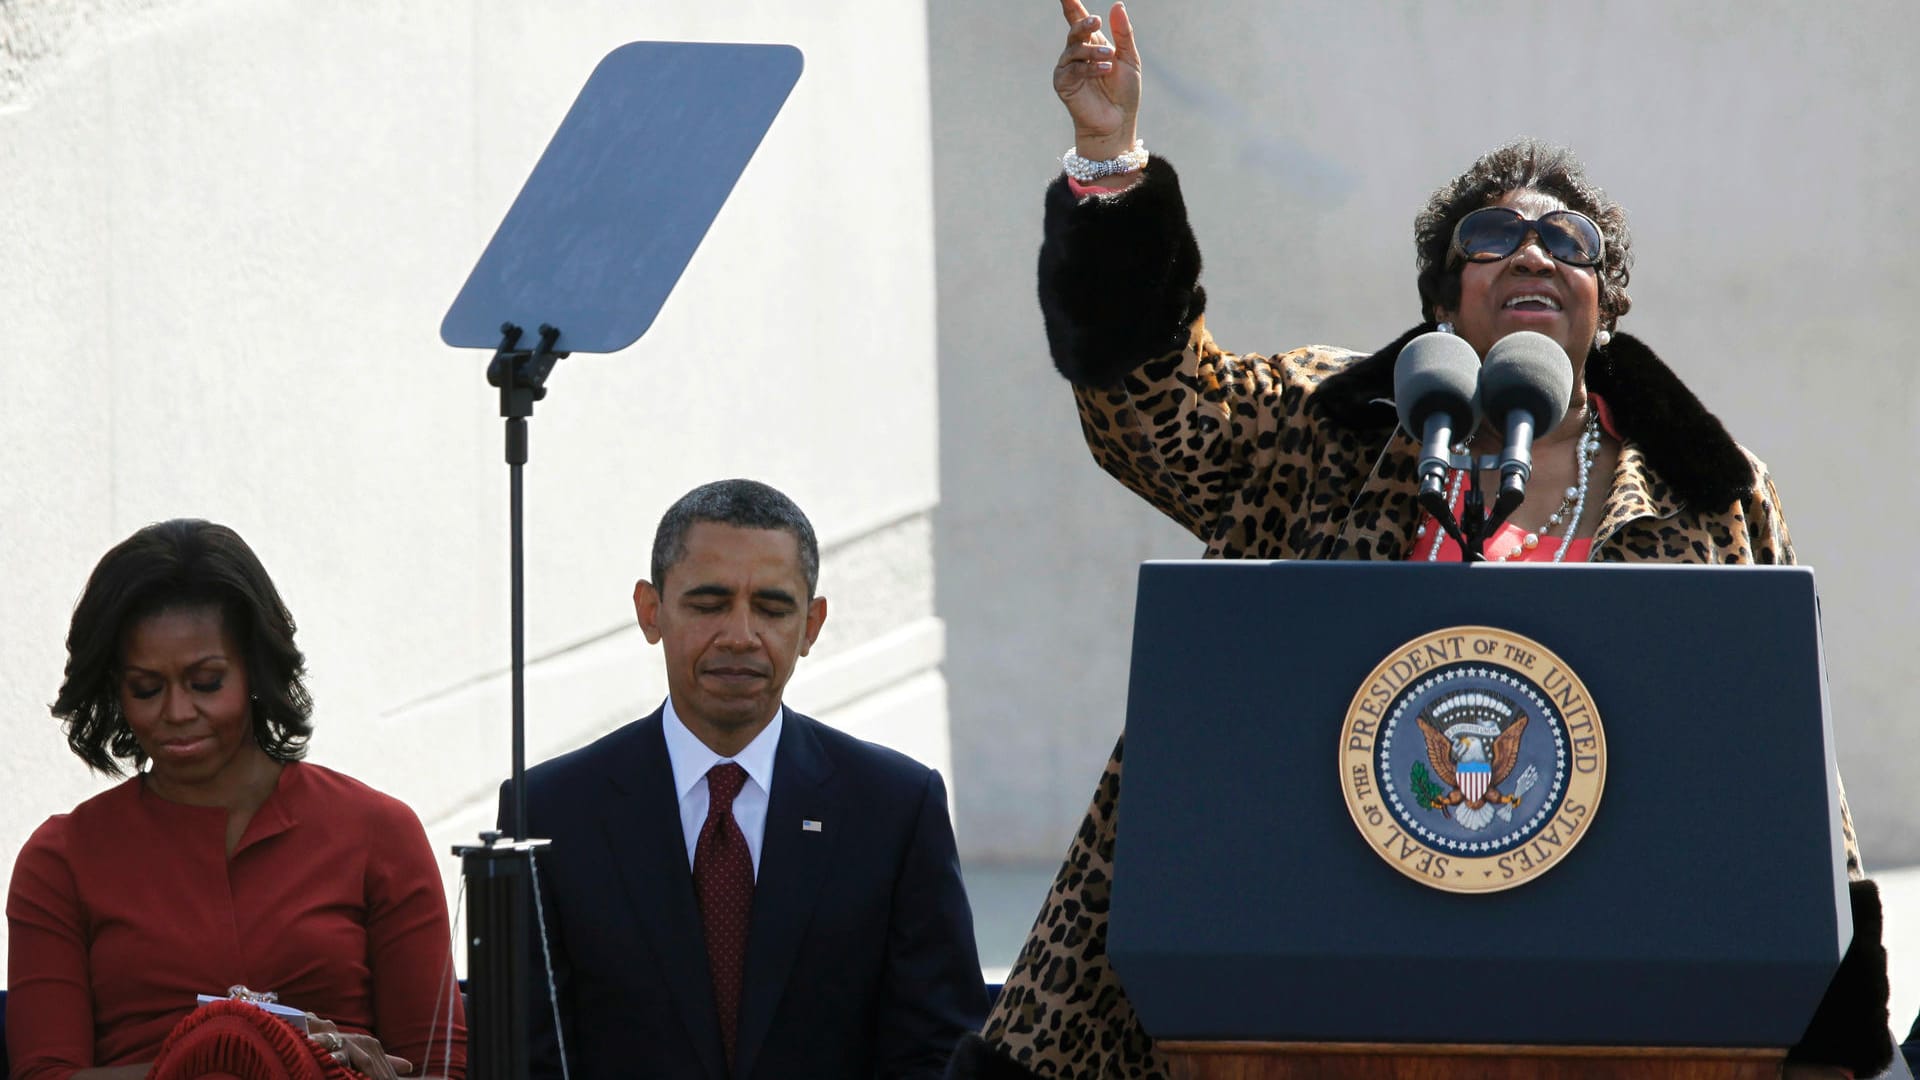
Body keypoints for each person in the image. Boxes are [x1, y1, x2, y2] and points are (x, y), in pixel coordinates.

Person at [947, 3, 1889, 1077]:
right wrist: (1110, 161)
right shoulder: (1328, 424)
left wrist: (1833, 1021)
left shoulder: (1710, 489)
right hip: (1308, 956)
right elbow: (1150, 401)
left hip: (1613, 979)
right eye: (1491, 240)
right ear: (1446, 298)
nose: (1530, 249)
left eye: (1564, 242)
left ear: (1606, 302)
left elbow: (1780, 748)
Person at [503, 478, 987, 1079]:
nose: (739, 635)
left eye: (772, 607)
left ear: (811, 624)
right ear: (650, 612)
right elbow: (529, 1059)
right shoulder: (549, 811)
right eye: (708, 604)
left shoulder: (895, 808)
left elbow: (936, 1052)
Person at [5, 519, 466, 1080]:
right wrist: (242, 1051)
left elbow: (440, 1067)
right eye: (146, 689)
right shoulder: (63, 858)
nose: (176, 712)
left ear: (255, 668)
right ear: (113, 691)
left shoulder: (377, 831)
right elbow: (44, 1075)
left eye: (206, 682)